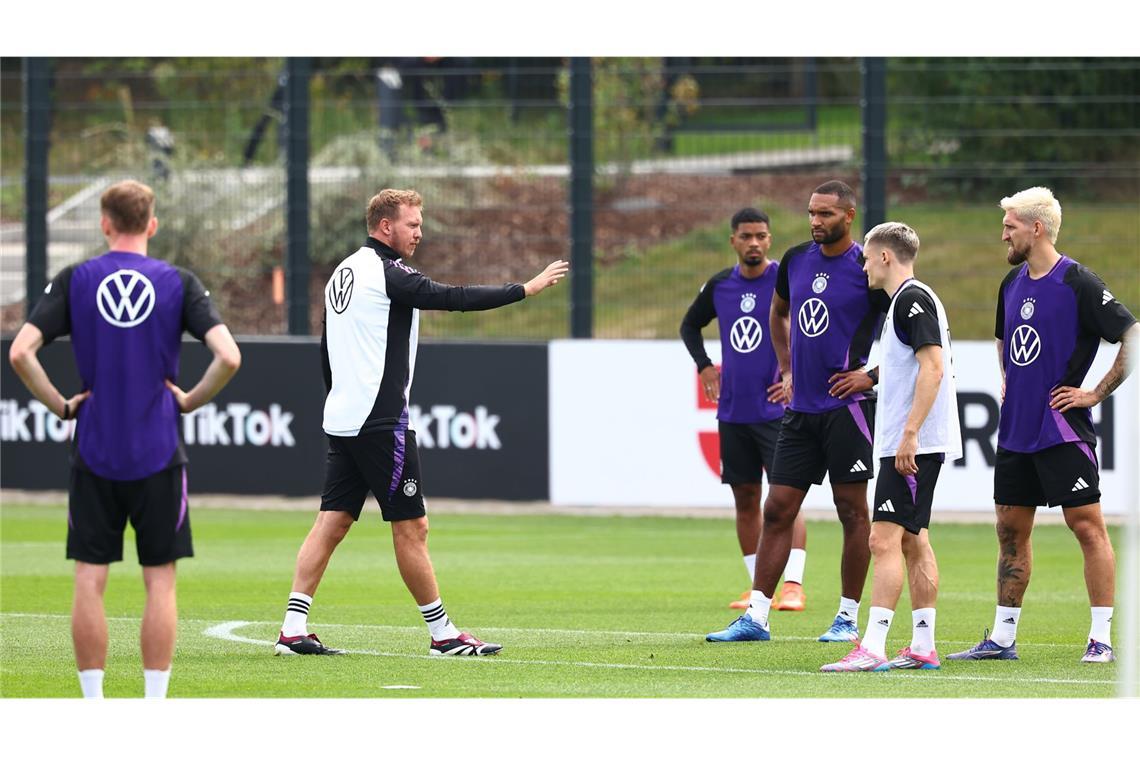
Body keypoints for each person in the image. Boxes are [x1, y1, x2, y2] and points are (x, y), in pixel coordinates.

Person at [276, 188, 568, 657]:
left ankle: (292, 628)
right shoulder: (387, 271)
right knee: (412, 527)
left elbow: (327, 345)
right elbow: (450, 297)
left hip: (346, 416)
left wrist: (338, 399)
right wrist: (524, 290)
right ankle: (443, 634)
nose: (420, 231)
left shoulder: (344, 270)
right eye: (412, 224)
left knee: (332, 521)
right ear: (385, 226)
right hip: (379, 420)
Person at [7, 179, 241, 698]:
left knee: (90, 578)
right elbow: (229, 356)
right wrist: (188, 399)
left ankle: (95, 707)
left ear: (104, 223)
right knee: (160, 580)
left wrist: (62, 405)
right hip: (158, 452)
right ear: (152, 225)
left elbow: (21, 352)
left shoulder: (76, 278)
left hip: (94, 452)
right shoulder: (178, 281)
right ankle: (152, 709)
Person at [949, 186, 1138, 664]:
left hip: (1062, 430)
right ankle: (1003, 639)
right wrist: (1008, 379)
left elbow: (1131, 335)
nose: (1002, 235)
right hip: (1015, 430)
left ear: (1036, 228)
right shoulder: (1010, 284)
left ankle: (1101, 640)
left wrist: (1095, 392)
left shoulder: (1078, 281)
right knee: (1010, 530)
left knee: (1087, 527)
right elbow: (1002, 339)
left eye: (1009, 226)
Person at [706, 180, 889, 644]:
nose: (815, 222)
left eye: (825, 214)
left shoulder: (867, 267)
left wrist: (870, 375)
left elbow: (915, 332)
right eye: (811, 213)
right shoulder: (795, 260)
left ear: (849, 216)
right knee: (778, 507)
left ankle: (847, 617)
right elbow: (779, 312)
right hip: (801, 411)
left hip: (847, 411)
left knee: (851, 510)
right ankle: (757, 617)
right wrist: (786, 369)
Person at [820, 222, 961, 671]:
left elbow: (933, 368)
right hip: (911, 442)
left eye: (866, 257)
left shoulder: (912, 299)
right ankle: (922, 646)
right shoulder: (908, 300)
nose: (862, 265)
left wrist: (910, 434)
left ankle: (873, 646)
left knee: (882, 540)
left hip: (913, 445)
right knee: (914, 541)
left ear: (884, 257)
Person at [680, 207, 810, 613]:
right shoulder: (720, 286)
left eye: (761, 236)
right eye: (746, 236)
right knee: (745, 498)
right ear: (733, 241)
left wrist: (794, 376)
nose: (754, 242)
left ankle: (793, 585)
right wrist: (704, 365)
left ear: (769, 240)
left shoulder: (784, 280)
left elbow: (811, 327)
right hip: (734, 411)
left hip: (777, 412)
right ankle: (758, 588)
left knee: (786, 499)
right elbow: (689, 326)